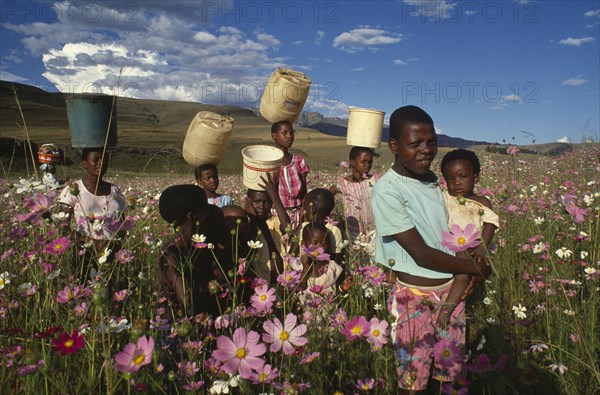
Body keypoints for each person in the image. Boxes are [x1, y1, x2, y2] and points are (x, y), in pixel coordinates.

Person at [371, 105, 492, 394]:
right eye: (415, 144)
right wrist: (476, 269)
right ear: (394, 146)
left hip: (452, 293)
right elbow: (421, 253)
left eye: (432, 142)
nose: (426, 150)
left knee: (448, 374)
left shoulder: (433, 182)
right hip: (413, 298)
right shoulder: (388, 190)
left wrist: (473, 266)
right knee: (412, 381)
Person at [436, 149, 500, 328]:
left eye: (462, 176)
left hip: (473, 247)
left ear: (476, 177)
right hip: (450, 245)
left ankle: (447, 311)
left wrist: (482, 248)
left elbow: (491, 223)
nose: (456, 183)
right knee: (460, 276)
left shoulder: (482, 202)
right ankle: (452, 311)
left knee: (464, 276)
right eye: (450, 179)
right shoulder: (447, 197)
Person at [157, 184, 230, 318]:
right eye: (205, 209)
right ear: (193, 217)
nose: (209, 213)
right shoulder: (171, 253)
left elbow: (223, 282)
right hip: (180, 328)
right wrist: (209, 287)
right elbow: (187, 299)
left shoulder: (202, 245)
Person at [57, 147, 126, 274]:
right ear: (84, 164)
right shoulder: (72, 189)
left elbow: (123, 223)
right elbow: (62, 227)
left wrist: (116, 246)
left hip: (111, 256)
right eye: (96, 159)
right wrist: (92, 243)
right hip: (84, 256)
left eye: (104, 160)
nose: (101, 163)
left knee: (110, 290)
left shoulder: (115, 190)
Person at [241, 174, 291, 284]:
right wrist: (252, 219)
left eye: (267, 202)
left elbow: (288, 228)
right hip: (260, 284)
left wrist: (275, 196)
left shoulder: (274, 222)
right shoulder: (246, 226)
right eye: (257, 201)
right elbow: (251, 249)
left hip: (282, 282)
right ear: (248, 202)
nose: (262, 206)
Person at [330, 146, 380, 244]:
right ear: (352, 162)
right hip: (353, 236)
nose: (367, 165)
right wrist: (334, 218)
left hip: (374, 234)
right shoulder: (342, 183)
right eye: (363, 162)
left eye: (370, 162)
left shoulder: (375, 180)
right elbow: (325, 197)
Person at [297, 222, 348, 305]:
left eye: (324, 243)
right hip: (307, 315)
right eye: (315, 242)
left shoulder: (332, 268)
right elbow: (301, 288)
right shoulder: (298, 266)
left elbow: (336, 291)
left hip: (330, 315)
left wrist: (342, 288)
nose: (320, 247)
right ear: (303, 244)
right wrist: (305, 268)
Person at [271, 120, 309, 228]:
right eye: (285, 133)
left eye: (292, 133)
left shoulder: (299, 161)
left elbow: (304, 192)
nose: (290, 136)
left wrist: (303, 209)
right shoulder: (269, 163)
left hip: (298, 214)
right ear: (274, 136)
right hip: (276, 215)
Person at [295, 188, 344, 263]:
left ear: (312, 210)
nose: (303, 209)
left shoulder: (333, 230)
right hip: (303, 271)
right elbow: (292, 253)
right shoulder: (303, 226)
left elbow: (336, 261)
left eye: (304, 206)